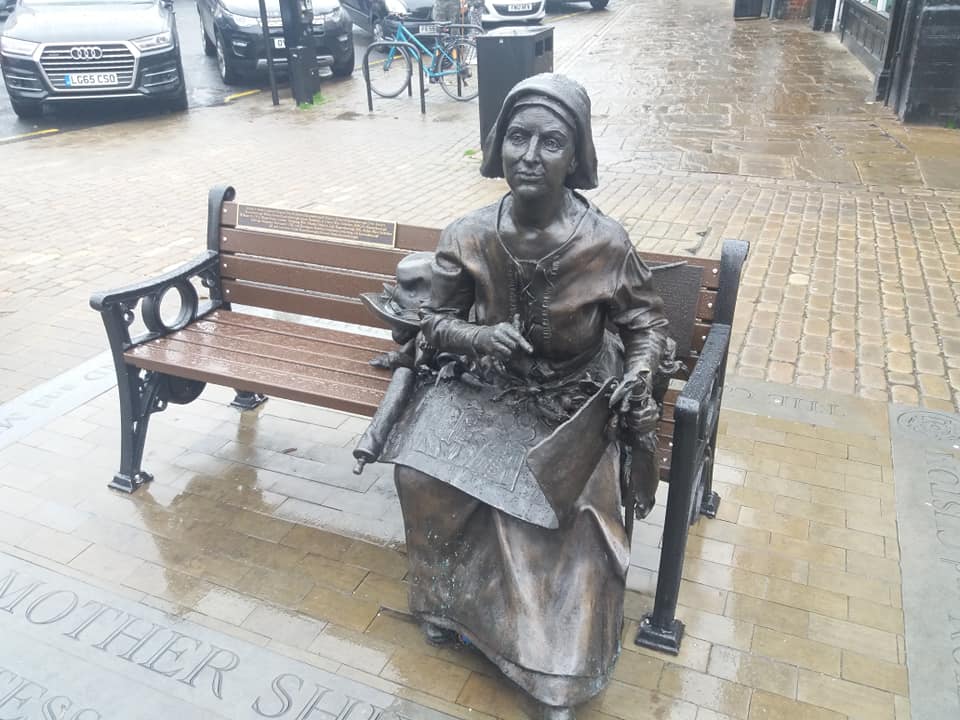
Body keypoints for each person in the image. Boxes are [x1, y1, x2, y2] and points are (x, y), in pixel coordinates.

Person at [386, 73, 671, 719]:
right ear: (498, 145)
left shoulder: (606, 242)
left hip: (576, 399)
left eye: (550, 142)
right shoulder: (469, 233)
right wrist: (478, 338)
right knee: (424, 473)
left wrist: (639, 373)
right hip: (492, 390)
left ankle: (558, 673)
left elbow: (647, 325)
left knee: (561, 522)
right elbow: (429, 322)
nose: (530, 156)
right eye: (517, 138)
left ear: (576, 157)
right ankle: (449, 605)